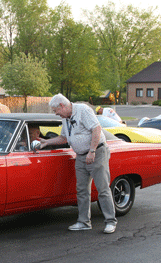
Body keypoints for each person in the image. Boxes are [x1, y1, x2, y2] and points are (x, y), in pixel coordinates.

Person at [39, 94, 117, 234]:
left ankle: (110, 221)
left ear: (62, 106)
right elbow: (64, 137)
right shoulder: (66, 118)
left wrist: (92, 151)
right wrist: (47, 142)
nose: (55, 113)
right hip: (80, 156)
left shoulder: (83, 110)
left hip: (96, 153)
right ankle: (83, 222)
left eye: (55, 110)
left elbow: (96, 129)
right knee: (82, 190)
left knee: (103, 189)